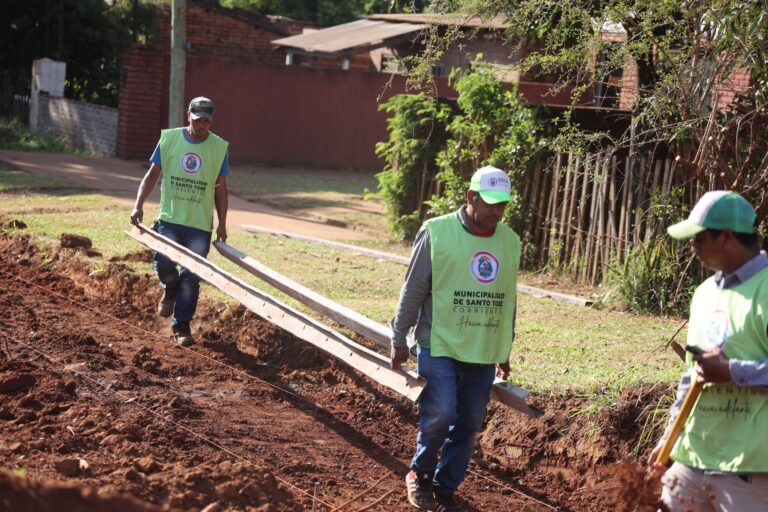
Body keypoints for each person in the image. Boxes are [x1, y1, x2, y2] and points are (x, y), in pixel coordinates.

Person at [390, 166, 520, 512]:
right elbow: (413, 288)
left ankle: (444, 488)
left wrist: (504, 347)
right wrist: (398, 337)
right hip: (439, 342)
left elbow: (509, 296)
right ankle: (419, 475)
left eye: (502, 204)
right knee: (441, 413)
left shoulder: (510, 240)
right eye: (490, 203)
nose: (496, 211)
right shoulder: (437, 232)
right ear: (470, 197)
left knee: (468, 422)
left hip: (481, 347)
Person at [647, 191, 768, 510]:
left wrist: (731, 372)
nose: (692, 246)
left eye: (699, 238)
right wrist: (667, 440)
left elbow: (720, 371)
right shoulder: (703, 294)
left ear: (726, 236)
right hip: (692, 461)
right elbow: (691, 376)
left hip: (748, 474)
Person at [130, 96, 229, 347]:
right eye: (197, 120)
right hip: (170, 219)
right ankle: (170, 288)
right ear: (188, 116)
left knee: (192, 276)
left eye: (206, 121)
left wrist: (223, 223)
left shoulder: (219, 148)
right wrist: (138, 205)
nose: (202, 125)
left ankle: (181, 326)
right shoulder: (169, 139)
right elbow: (152, 176)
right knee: (164, 264)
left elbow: (221, 189)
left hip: (199, 224)